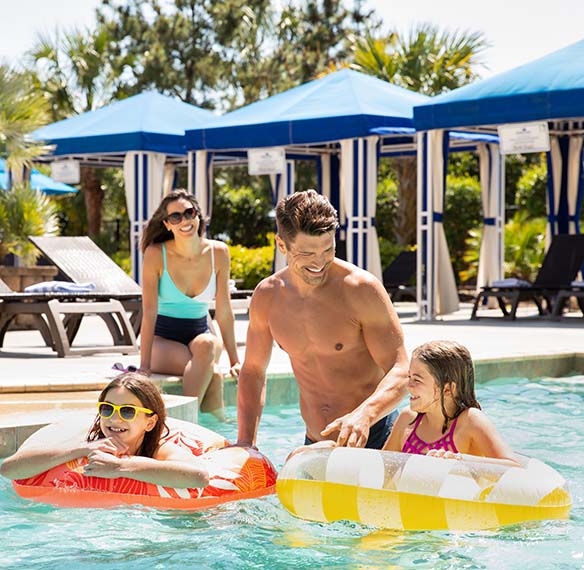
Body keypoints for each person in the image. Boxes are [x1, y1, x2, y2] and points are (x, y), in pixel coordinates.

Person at [236, 190, 409, 450]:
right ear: (282, 245)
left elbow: (402, 369)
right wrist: (246, 442)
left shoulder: (361, 289)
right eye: (306, 254)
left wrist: (365, 414)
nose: (319, 262)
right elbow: (252, 371)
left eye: (327, 249)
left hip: (374, 437)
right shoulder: (268, 296)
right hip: (314, 443)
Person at [0, 373, 210, 488]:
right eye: (107, 409)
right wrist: (80, 450)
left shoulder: (160, 450)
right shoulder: (88, 441)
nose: (114, 418)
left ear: (150, 422)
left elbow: (199, 477)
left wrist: (120, 467)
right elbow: (8, 470)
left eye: (127, 411)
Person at [139, 190, 241, 419]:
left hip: (199, 334)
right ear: (167, 224)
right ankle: (213, 422)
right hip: (162, 340)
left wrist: (235, 361)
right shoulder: (156, 254)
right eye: (176, 217)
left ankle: (191, 423)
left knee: (207, 346)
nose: (184, 221)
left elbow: (224, 311)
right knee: (211, 372)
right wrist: (144, 365)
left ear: (198, 216)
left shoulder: (218, 252)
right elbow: (149, 313)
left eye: (189, 213)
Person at [382, 340, 518, 463]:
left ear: (447, 389)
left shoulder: (470, 421)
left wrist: (460, 460)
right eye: (409, 377)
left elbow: (513, 466)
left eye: (417, 380)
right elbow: (383, 468)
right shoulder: (407, 420)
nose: (408, 386)